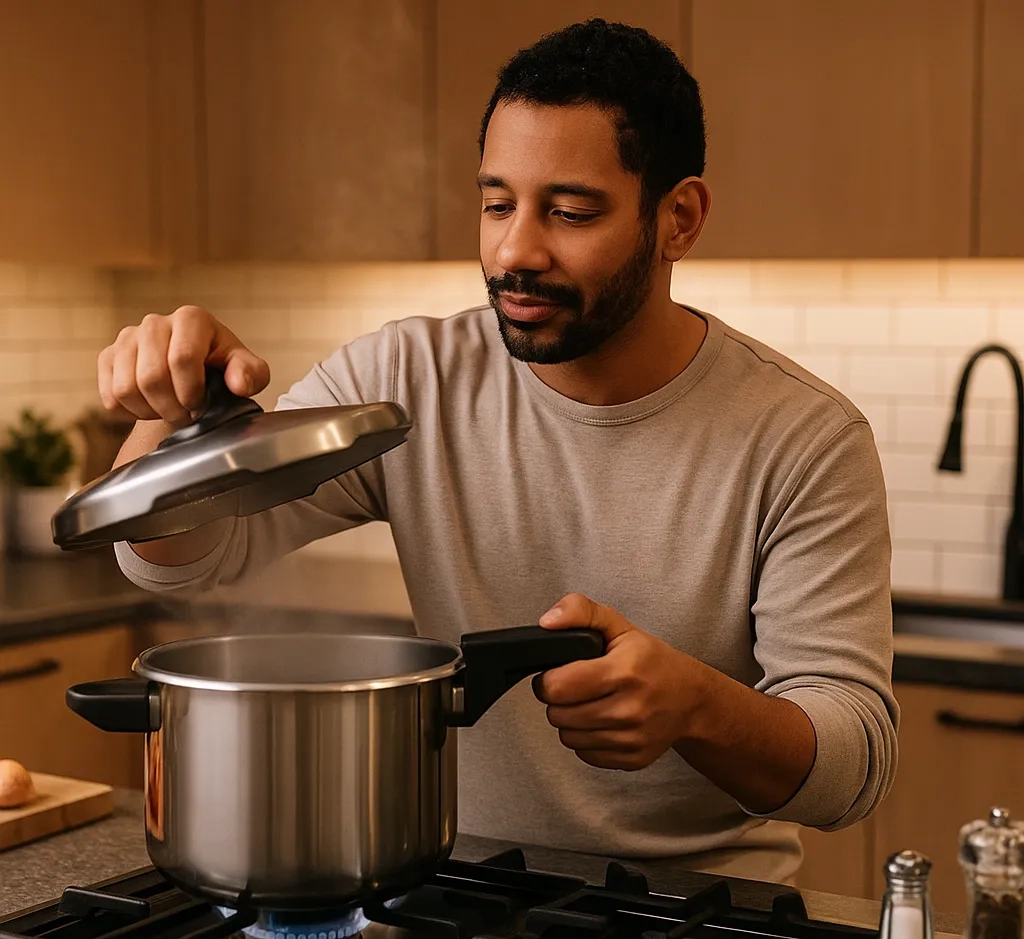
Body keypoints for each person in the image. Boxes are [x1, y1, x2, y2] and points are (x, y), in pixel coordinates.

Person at [100, 20, 896, 882]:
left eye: (570, 211)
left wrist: (698, 706)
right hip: (460, 889)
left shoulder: (804, 438)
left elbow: (851, 770)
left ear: (679, 219)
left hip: (704, 912)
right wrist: (176, 416)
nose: (515, 250)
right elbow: (179, 557)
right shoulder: (408, 377)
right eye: (496, 204)